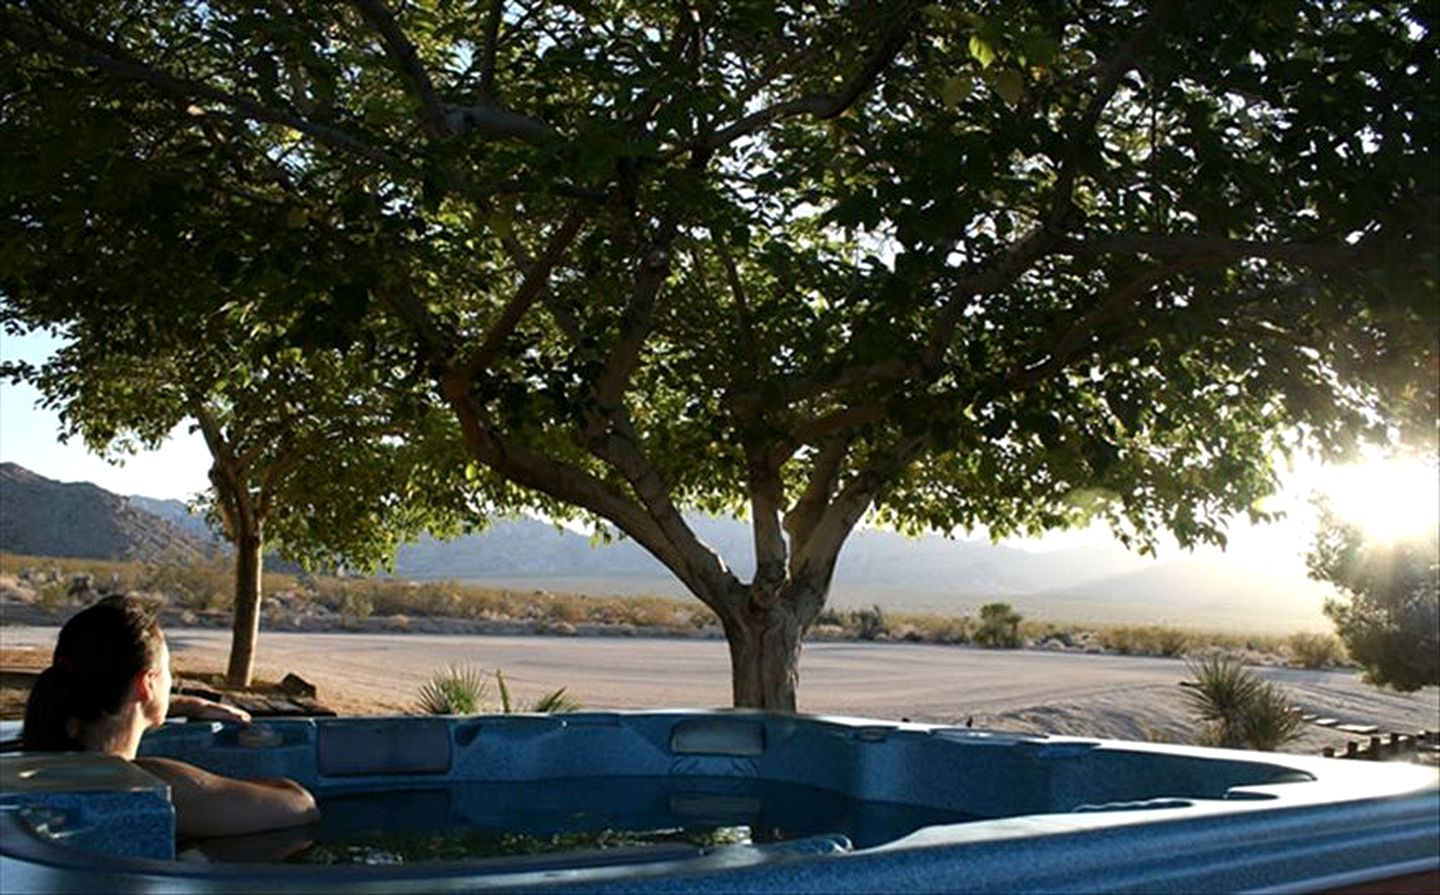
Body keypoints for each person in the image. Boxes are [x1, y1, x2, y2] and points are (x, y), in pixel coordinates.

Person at [22, 595, 319, 840]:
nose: (171, 681)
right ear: (147, 684)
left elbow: (103, 699)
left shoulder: (41, 761)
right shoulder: (149, 786)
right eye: (168, 671)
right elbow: (300, 805)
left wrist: (187, 706)